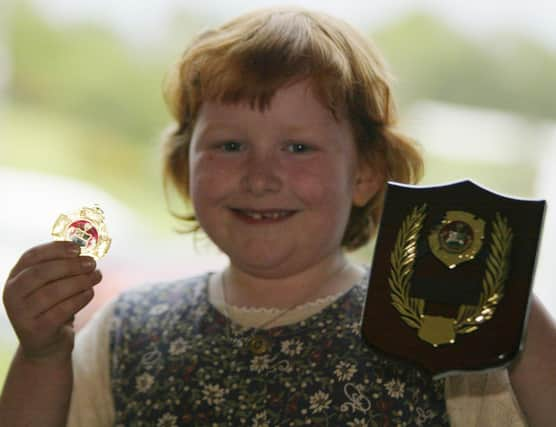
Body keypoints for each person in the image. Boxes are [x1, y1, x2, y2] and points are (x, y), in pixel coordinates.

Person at [1, 6, 555, 426]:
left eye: (297, 148)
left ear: (365, 174)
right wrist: (42, 352)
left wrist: (513, 311)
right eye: (229, 146)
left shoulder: (432, 331)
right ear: (183, 163)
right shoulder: (125, 331)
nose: (260, 175)